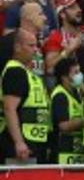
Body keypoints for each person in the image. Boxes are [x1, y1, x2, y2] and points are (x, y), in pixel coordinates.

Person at [1, 28, 49, 163]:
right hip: (21, 145)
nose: (35, 50)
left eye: (36, 45)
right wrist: (19, 142)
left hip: (33, 140)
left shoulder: (24, 71)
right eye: (31, 45)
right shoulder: (15, 71)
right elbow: (9, 108)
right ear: (17, 47)